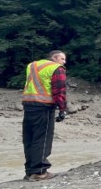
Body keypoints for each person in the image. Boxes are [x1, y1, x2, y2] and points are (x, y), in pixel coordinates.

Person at [21, 50, 68, 181]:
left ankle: (30, 171)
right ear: (54, 58)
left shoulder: (32, 65)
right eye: (62, 59)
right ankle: (39, 171)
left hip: (28, 104)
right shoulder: (56, 68)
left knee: (29, 138)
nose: (64, 62)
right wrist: (62, 108)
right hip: (44, 106)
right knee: (42, 138)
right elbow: (59, 90)